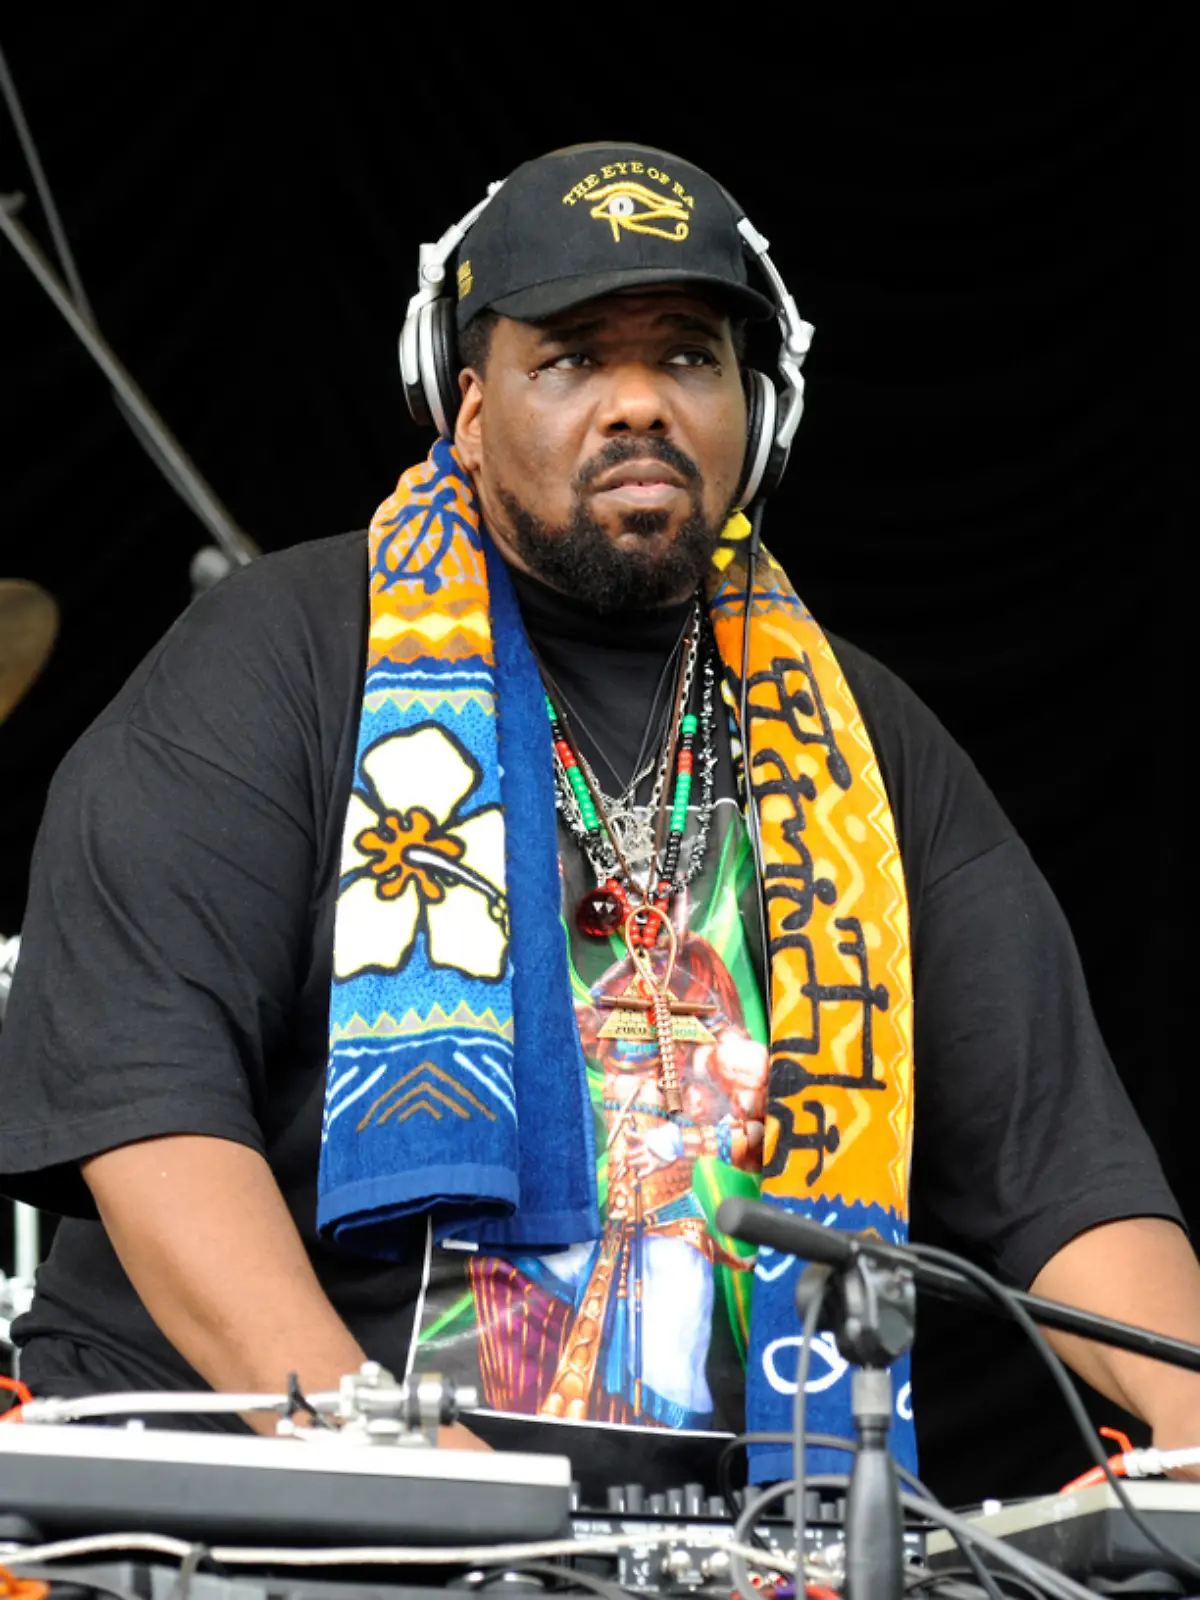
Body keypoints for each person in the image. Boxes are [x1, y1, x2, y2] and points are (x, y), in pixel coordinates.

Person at [1, 142, 1197, 1507]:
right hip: (281, 1509)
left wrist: (1195, 1413)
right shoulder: (267, 665)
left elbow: (1058, 1167)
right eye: (571, 358)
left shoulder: (864, 743)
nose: (639, 403)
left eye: (687, 358)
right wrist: (363, 1454)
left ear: (761, 408)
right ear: (462, 404)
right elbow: (146, 1102)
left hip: (729, 1531)